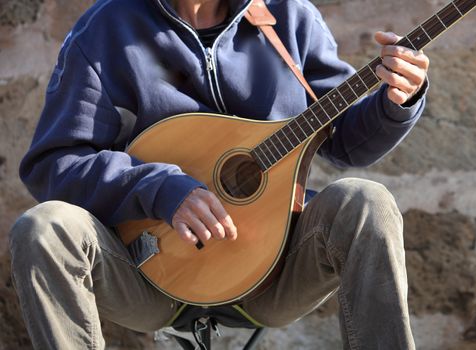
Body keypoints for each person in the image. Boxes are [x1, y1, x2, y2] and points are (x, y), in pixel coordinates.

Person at [9, 0, 429, 348]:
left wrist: (397, 101)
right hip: (149, 271)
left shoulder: (289, 17)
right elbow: (55, 163)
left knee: (367, 202)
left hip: (273, 270)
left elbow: (346, 140)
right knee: (43, 228)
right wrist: (158, 188)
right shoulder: (106, 29)